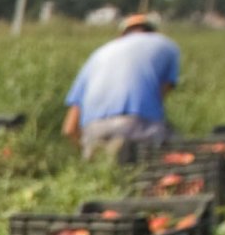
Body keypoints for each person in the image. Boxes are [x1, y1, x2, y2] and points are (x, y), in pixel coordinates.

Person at [61, 14, 180, 161]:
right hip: (138, 126)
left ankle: (108, 153)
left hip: (94, 129)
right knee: (175, 149)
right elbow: (160, 95)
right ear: (152, 31)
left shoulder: (99, 54)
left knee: (104, 163)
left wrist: (85, 152)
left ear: (122, 35)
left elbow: (69, 128)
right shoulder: (166, 45)